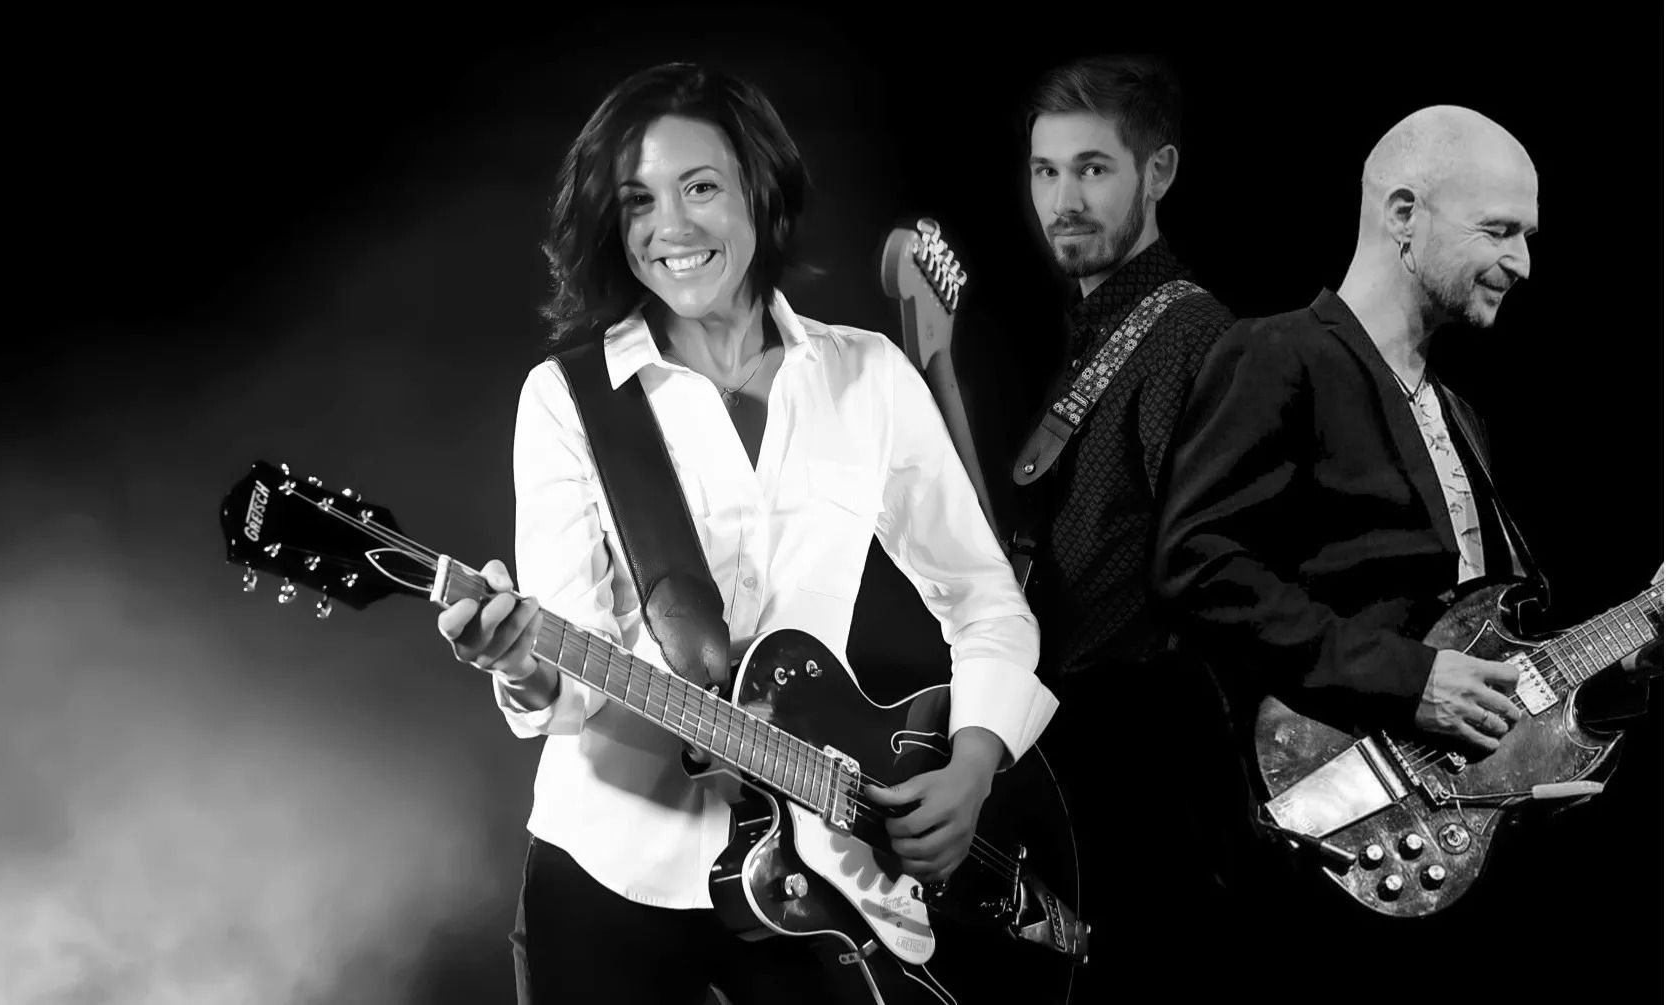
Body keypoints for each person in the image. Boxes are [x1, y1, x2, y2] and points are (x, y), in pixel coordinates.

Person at [432, 62, 1059, 1005]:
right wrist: (520, 664)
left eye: (700, 188)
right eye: (638, 200)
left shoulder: (869, 377)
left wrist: (972, 764)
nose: (670, 229)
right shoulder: (567, 399)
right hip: (610, 869)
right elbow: (569, 668)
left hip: (827, 871)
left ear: (761, 193)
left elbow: (984, 599)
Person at [1152, 105, 1659, 1003]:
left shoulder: (1459, 414)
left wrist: (1624, 665)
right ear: (1402, 215)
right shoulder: (1278, 354)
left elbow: (1495, 657)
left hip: (1453, 845)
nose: (1522, 262)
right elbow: (1199, 566)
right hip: (1323, 816)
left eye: (1527, 236)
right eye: (1498, 230)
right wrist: (1410, 679)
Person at [970, 53, 1248, 1003]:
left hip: (1147, 756)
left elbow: (1210, 571)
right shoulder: (1093, 331)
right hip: (1075, 749)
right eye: (1045, 171)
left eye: (1093, 168)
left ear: (1158, 171)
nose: (1063, 201)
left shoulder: (1193, 337)